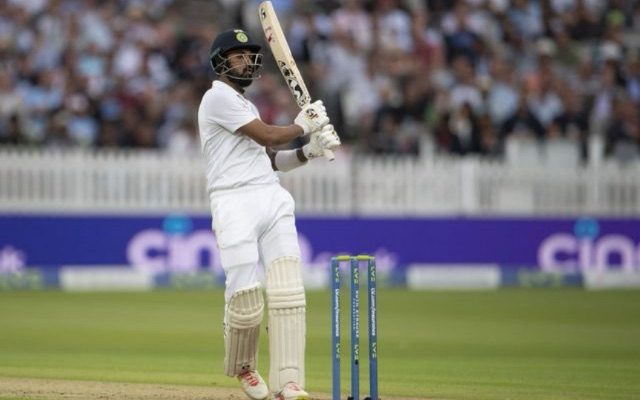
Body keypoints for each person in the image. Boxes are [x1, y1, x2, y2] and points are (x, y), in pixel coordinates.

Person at [197, 29, 341, 400]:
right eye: (237, 55)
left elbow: (273, 161)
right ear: (220, 62)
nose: (246, 61)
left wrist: (309, 149)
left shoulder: (246, 105)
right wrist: (304, 125)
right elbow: (269, 137)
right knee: (245, 297)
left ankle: (289, 381)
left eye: (249, 55)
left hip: (270, 197)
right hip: (233, 202)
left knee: (288, 290)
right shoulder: (217, 99)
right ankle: (245, 368)